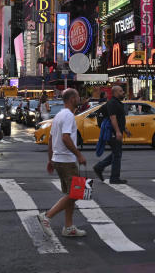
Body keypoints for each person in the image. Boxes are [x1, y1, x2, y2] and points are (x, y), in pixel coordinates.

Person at [37, 88, 87, 238]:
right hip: (67, 161)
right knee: (75, 193)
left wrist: (50, 159)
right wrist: (79, 155)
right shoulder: (68, 116)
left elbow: (52, 139)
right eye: (78, 96)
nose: (80, 98)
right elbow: (65, 138)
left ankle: (68, 227)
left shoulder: (58, 115)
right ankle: (47, 216)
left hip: (59, 160)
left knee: (69, 194)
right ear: (72, 99)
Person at [93, 84, 129, 184]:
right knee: (117, 155)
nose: (123, 93)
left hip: (115, 132)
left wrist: (124, 129)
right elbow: (113, 118)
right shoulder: (113, 103)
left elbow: (119, 118)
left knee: (116, 153)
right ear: (115, 92)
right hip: (112, 133)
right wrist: (117, 132)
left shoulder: (117, 103)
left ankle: (99, 167)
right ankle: (114, 178)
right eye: (121, 91)